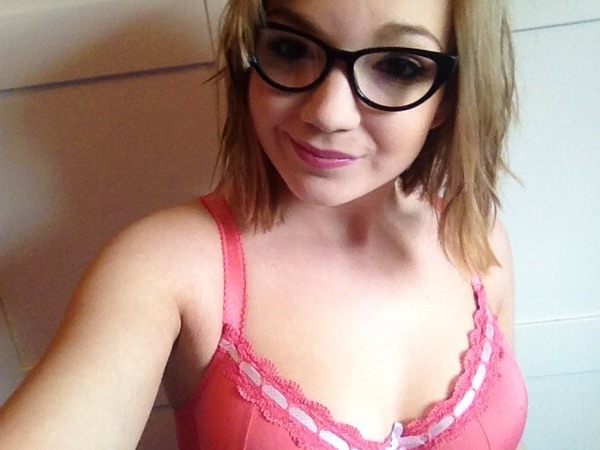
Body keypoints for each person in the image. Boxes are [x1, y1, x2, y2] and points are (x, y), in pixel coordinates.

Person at [0, 0, 528, 448]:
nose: (329, 113)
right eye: (292, 49)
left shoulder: (477, 241)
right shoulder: (166, 269)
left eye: (399, 66)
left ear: (449, 96)